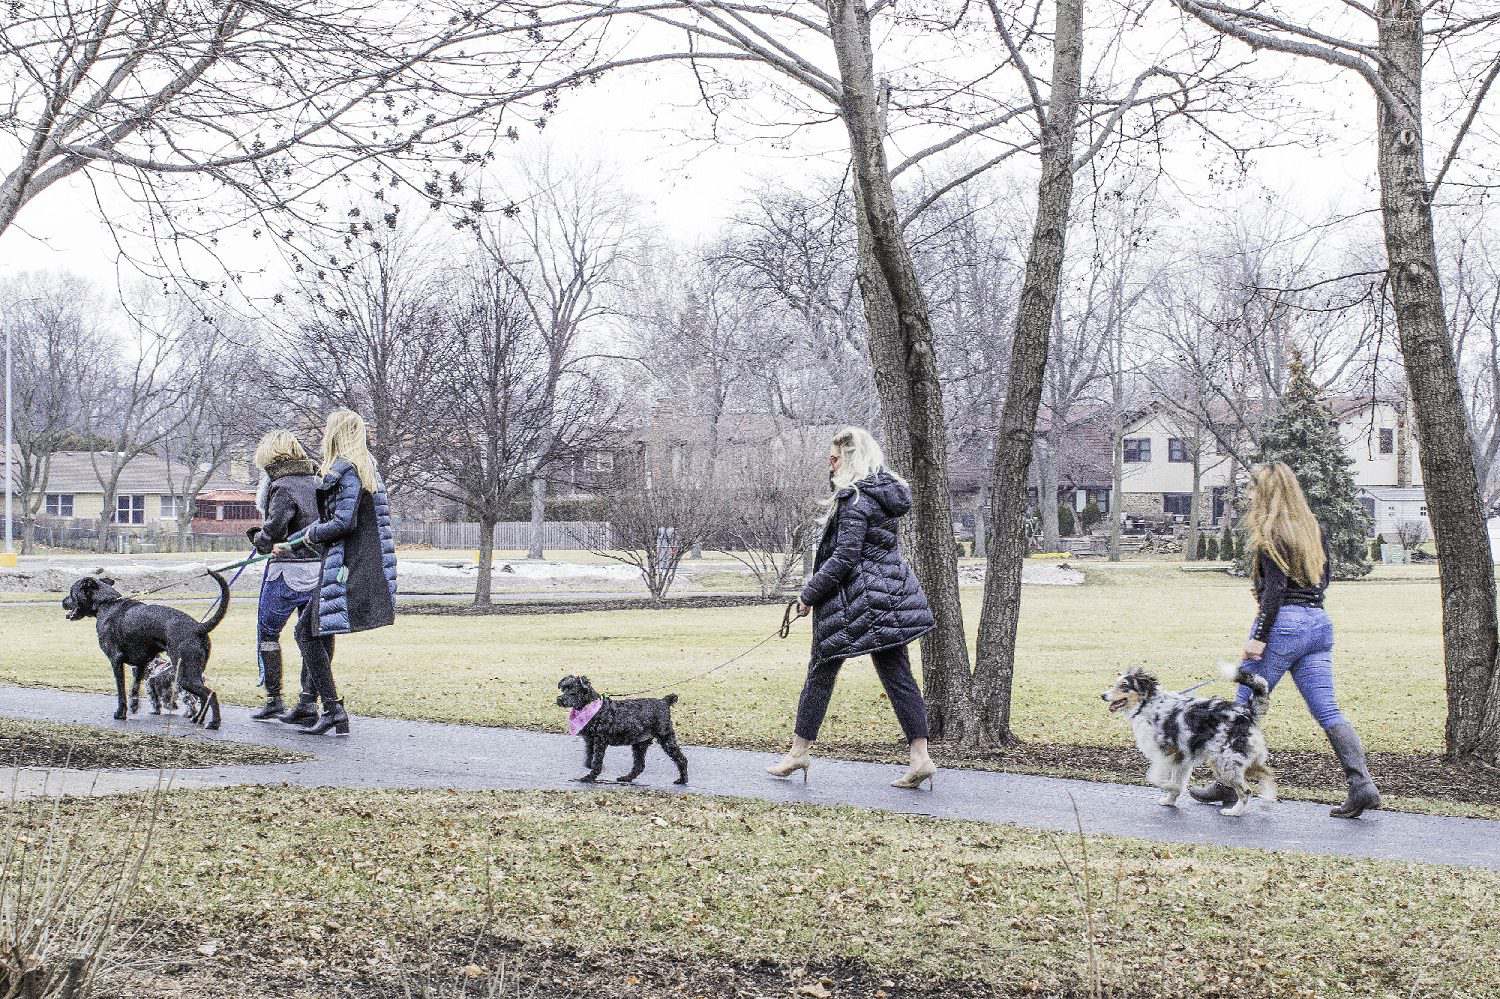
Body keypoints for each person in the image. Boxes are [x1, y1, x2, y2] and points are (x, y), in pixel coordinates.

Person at [1190, 462, 1381, 819]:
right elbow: (1324, 581)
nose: (1248, 496)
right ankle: (1361, 785)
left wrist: (1259, 638)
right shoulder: (1313, 529)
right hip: (1318, 624)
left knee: (1244, 706)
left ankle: (1228, 785)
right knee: (1328, 710)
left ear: (1266, 494)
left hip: (1283, 626)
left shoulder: (1270, 534)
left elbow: (1275, 592)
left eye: (1252, 490)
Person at [767, 427, 938, 789]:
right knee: (898, 676)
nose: (829, 464)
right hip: (888, 599)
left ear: (850, 457)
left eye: (834, 457)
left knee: (821, 671)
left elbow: (843, 558)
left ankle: (799, 753)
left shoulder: (855, 499)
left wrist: (807, 596)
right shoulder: (883, 493)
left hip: (854, 604)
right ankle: (920, 757)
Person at [273, 409, 398, 736]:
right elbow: (336, 521)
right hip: (353, 562)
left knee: (306, 631)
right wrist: (293, 543)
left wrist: (305, 537)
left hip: (345, 566)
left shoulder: (349, 471)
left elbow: (343, 523)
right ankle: (307, 704)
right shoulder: (364, 468)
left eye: (327, 429)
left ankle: (332, 709)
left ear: (336, 433)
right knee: (317, 629)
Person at [246, 430, 323, 723]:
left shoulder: (281, 485)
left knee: (268, 632)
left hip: (286, 570)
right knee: (313, 637)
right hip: (318, 569)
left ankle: (274, 697)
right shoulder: (318, 480)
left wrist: (259, 538)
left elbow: (275, 529)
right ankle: (308, 701)